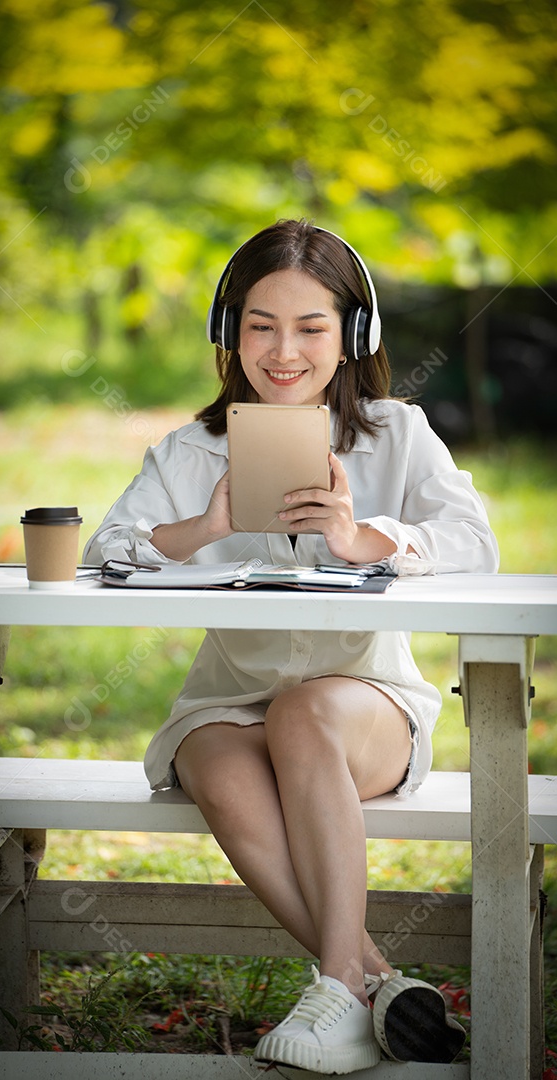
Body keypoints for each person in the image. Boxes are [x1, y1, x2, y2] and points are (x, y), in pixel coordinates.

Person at [84, 219, 499, 1074]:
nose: (282, 352)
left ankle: (338, 982)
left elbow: (475, 542)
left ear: (353, 337)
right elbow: (104, 550)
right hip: (229, 703)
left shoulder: (396, 433)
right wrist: (202, 528)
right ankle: (371, 981)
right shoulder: (188, 451)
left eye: (310, 327)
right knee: (210, 753)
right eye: (259, 325)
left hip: (362, 708)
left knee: (304, 713)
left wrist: (361, 537)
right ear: (228, 331)